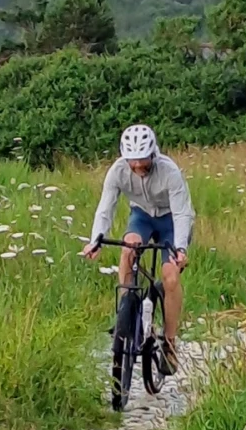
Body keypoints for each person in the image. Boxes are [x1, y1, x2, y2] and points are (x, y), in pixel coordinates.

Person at [82, 124, 194, 364]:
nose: (138, 166)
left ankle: (170, 343)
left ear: (153, 153)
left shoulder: (169, 171)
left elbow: (182, 213)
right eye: (132, 161)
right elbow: (106, 207)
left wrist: (181, 248)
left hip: (170, 220)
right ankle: (126, 314)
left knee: (170, 276)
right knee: (128, 248)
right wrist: (96, 240)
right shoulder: (117, 171)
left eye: (143, 160)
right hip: (142, 216)